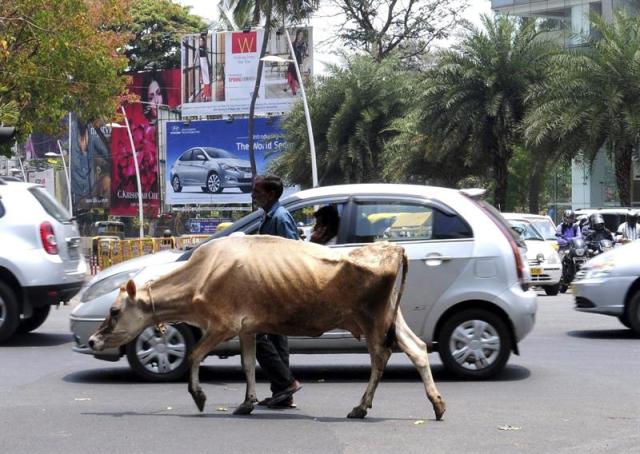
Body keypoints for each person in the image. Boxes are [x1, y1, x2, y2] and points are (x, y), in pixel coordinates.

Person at [252, 175, 302, 409]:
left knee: (257, 335)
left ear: (271, 194)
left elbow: (293, 253)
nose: (253, 195)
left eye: (258, 192)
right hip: (270, 286)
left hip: (279, 286)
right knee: (276, 338)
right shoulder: (269, 216)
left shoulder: (280, 218)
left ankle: (286, 383)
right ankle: (283, 393)